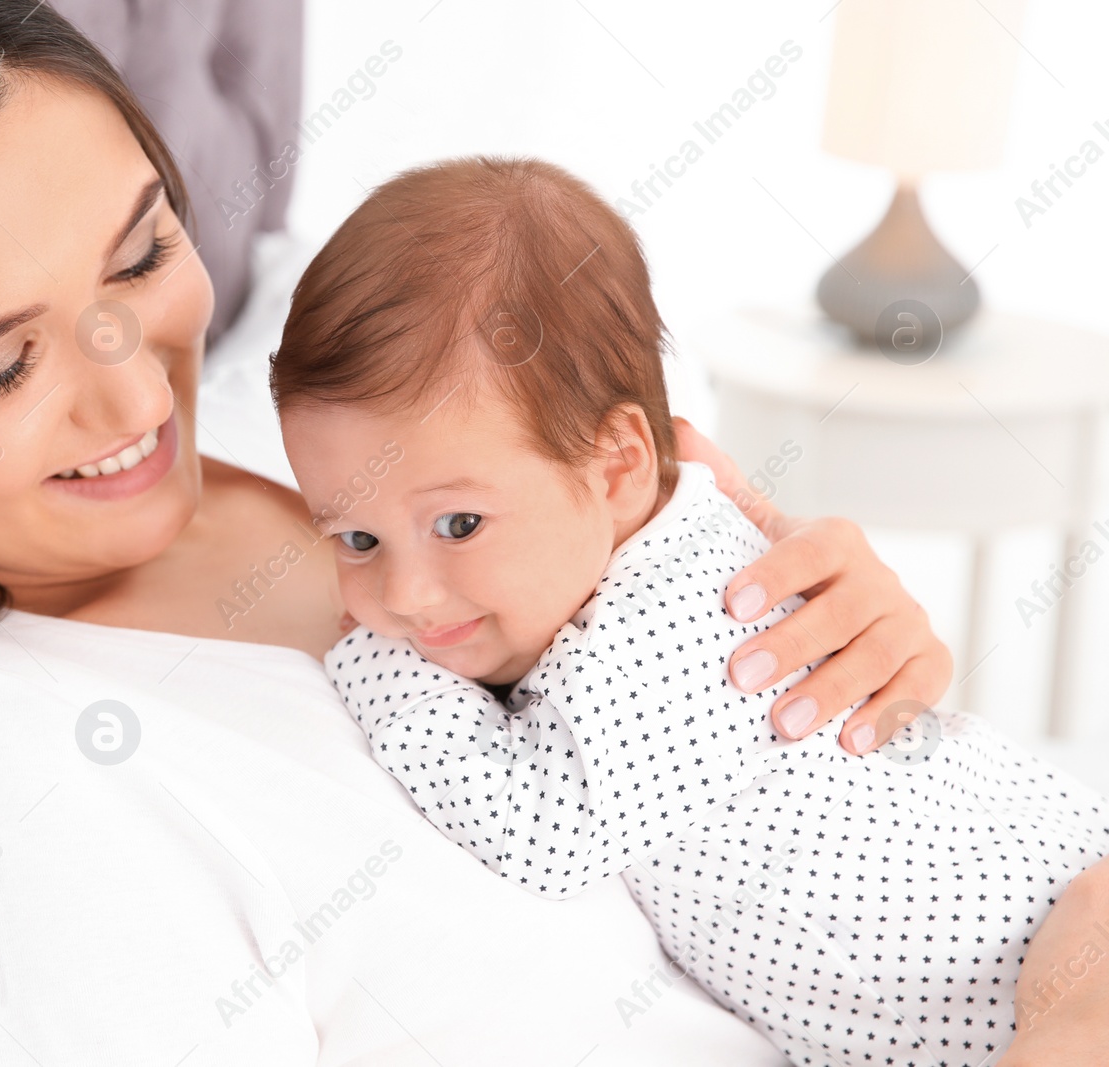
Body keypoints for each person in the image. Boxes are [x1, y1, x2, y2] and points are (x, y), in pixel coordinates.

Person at [0, 0, 1086, 1062]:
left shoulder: (286, 441)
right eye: (0, 367)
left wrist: (842, 646)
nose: (128, 391)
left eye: (144, 249)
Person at [270, 155, 1109, 1066]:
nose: (402, 596)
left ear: (618, 464)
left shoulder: (687, 620)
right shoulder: (627, 549)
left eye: (458, 523)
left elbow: (542, 830)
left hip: (1034, 936)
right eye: (355, 541)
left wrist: (368, 660)